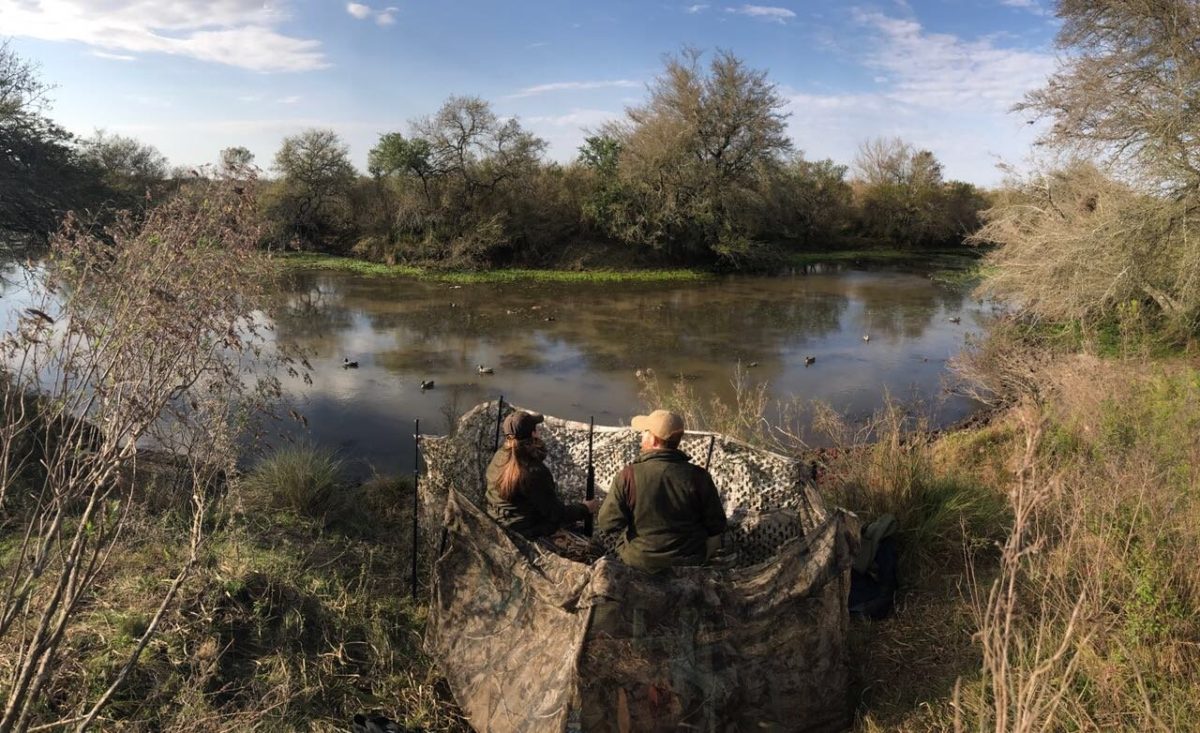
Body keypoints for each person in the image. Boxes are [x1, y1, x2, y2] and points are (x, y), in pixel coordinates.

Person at [596, 409, 727, 573]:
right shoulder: (700, 476)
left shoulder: (628, 476)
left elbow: (607, 524)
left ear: (653, 439)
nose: (641, 437)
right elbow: (717, 525)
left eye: (644, 433)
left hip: (639, 563)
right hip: (688, 565)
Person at [485, 410, 600, 539]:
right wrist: (585, 508)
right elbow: (557, 514)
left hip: (495, 520)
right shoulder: (535, 472)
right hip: (522, 532)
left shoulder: (499, 456)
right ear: (534, 434)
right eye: (536, 429)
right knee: (557, 523)